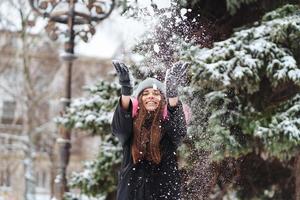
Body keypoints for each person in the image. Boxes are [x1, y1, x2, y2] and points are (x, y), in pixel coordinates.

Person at [111, 61, 189, 200]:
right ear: (139, 100)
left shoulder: (168, 127)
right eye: (145, 93)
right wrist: (126, 91)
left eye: (156, 93)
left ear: (163, 100)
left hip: (164, 193)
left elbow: (179, 130)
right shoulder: (131, 126)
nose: (151, 96)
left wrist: (172, 95)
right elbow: (119, 128)